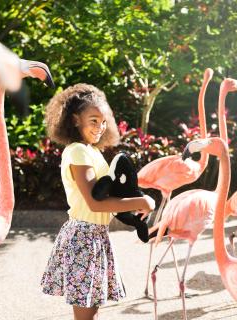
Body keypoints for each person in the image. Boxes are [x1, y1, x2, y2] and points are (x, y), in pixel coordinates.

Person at [40, 83, 155, 320]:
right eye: (93, 120)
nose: (100, 127)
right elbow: (96, 204)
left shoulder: (90, 151)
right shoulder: (78, 152)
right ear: (74, 120)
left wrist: (134, 207)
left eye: (103, 121)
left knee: (90, 312)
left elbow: (108, 196)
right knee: (85, 315)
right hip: (83, 237)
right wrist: (141, 202)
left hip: (95, 235)